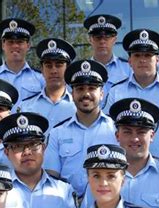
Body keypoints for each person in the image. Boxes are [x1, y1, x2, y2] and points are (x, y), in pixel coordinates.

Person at [44, 60, 117, 195]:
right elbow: (51, 177)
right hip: (68, 206)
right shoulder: (57, 133)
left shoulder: (116, 130)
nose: (86, 94)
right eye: (80, 89)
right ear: (72, 94)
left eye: (91, 88)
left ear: (101, 94)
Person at [102, 29, 159, 113]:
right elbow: (108, 124)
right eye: (137, 55)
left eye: (148, 55)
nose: (142, 60)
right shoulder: (115, 91)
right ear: (130, 61)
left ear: (157, 60)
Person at [18, 37, 77, 128]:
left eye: (59, 65)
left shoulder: (78, 106)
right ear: (42, 70)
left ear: (68, 69)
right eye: (49, 66)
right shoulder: (25, 107)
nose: (53, 70)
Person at [83, 14, 132, 107]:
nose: (102, 41)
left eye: (107, 37)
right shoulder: (81, 71)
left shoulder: (128, 69)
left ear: (114, 40)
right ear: (90, 40)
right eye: (98, 37)